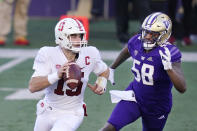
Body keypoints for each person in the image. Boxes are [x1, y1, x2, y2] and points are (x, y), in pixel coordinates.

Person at [100, 12, 187, 131]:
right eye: (146, 32)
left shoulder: (170, 53)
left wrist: (169, 69)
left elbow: (182, 88)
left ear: (164, 35)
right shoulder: (137, 41)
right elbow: (127, 51)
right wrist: (112, 68)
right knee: (109, 128)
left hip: (157, 106)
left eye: (153, 34)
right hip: (134, 96)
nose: (147, 36)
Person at [28, 18, 109, 131]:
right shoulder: (48, 53)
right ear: (61, 37)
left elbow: (104, 70)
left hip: (72, 113)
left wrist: (101, 84)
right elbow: (32, 87)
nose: (78, 40)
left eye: (80, 36)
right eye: (73, 36)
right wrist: (57, 75)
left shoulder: (90, 54)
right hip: (47, 110)